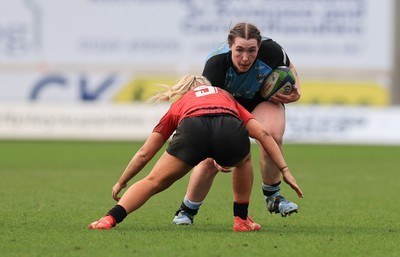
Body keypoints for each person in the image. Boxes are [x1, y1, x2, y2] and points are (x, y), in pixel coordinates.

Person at [88, 75, 303, 231]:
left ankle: (109, 219)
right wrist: (284, 169)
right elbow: (264, 134)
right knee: (243, 160)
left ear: (184, 90)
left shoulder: (181, 103)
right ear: (208, 86)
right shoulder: (225, 95)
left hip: (193, 128)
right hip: (227, 125)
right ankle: (241, 220)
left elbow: (146, 152)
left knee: (153, 181)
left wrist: (122, 181)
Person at [172, 22, 302, 225]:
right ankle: (186, 211)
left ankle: (273, 197)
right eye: (239, 50)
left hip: (260, 100)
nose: (245, 58)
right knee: (210, 159)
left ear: (259, 47)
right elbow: (212, 105)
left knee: (273, 136)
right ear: (230, 46)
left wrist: (297, 91)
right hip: (225, 104)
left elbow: (289, 68)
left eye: (252, 51)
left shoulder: (273, 51)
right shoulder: (216, 65)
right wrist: (215, 145)